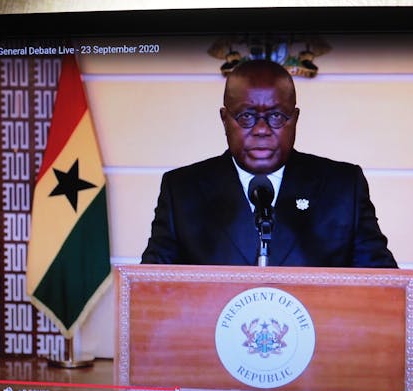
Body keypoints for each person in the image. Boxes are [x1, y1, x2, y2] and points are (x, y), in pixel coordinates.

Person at [141, 59, 397, 268]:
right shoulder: (182, 190)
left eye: (276, 115)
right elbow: (151, 290)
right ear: (224, 119)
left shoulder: (343, 187)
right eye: (246, 116)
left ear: (295, 118)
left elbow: (383, 288)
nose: (262, 129)